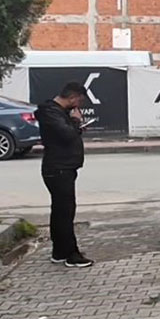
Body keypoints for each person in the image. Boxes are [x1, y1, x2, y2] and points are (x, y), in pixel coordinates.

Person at [37, 82, 92, 268]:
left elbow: (67, 133)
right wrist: (75, 121)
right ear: (73, 97)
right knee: (65, 212)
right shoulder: (50, 112)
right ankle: (71, 254)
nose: (78, 106)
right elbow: (66, 135)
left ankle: (59, 252)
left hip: (64, 167)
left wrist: (75, 125)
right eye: (79, 101)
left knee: (60, 211)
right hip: (58, 168)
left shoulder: (57, 113)